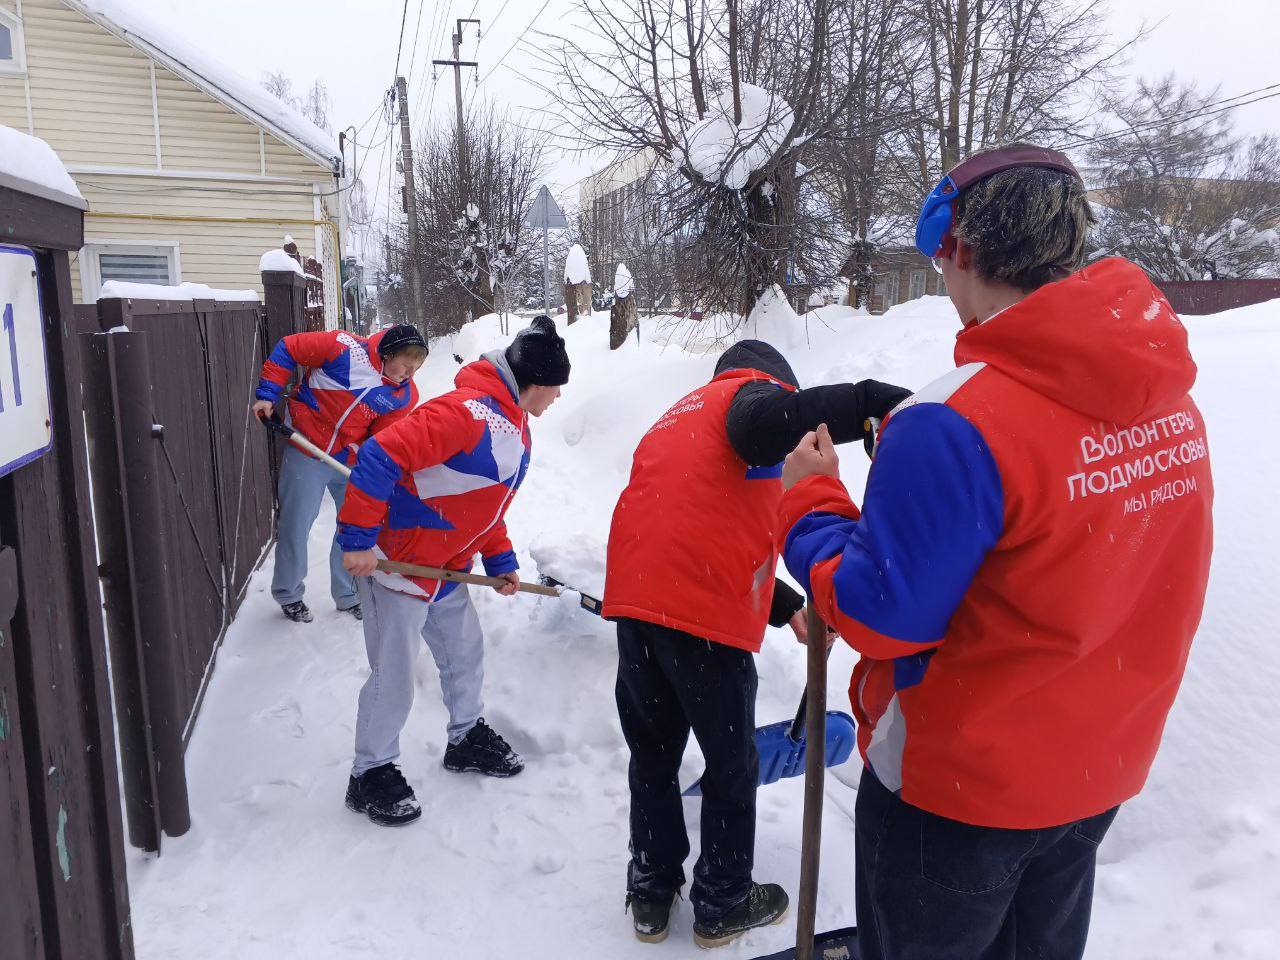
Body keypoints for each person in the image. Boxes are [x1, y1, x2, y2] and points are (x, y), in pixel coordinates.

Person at [780, 144, 1214, 960]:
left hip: (961, 792)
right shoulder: (1169, 400)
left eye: (939, 261)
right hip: (1098, 772)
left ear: (963, 251)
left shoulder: (953, 419)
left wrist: (810, 501)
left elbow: (882, 616)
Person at [602, 340, 909, 947]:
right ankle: (722, 900)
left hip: (637, 609)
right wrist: (874, 405)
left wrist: (788, 606)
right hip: (700, 628)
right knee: (730, 763)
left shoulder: (677, 421)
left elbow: (698, 530)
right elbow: (777, 418)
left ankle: (651, 891)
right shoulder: (745, 398)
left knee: (655, 755)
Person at [336, 316, 570, 827]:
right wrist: (356, 540)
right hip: (399, 564)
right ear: (534, 383)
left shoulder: (514, 422)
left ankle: (464, 738)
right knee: (393, 674)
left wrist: (501, 560)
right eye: (555, 389)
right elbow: (380, 454)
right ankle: (369, 772)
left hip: (443, 569)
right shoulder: (464, 413)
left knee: (464, 654)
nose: (557, 399)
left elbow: (482, 505)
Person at [252, 324, 425, 623]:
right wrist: (268, 393)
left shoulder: (404, 395)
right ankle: (289, 594)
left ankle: (347, 594)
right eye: (405, 365)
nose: (408, 373)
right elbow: (289, 346)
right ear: (387, 353)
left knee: (352, 530)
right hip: (306, 446)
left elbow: (380, 437)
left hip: (348, 459)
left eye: (415, 368)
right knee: (296, 524)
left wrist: (363, 459)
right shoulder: (342, 347)